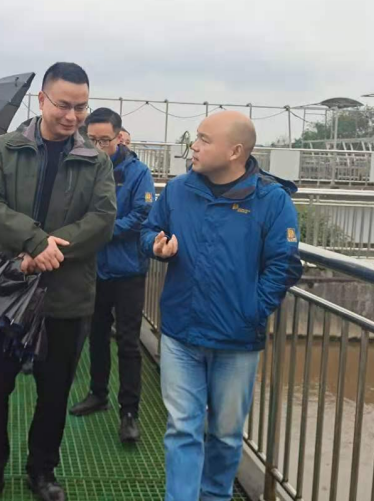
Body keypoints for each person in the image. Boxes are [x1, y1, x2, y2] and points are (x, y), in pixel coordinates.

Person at [0, 62, 117, 501]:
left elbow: (103, 218)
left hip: (66, 291)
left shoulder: (96, 160)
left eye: (81, 107)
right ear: (42, 99)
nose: (72, 116)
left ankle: (42, 472)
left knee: (55, 389)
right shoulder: (5, 149)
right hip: (8, 287)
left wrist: (49, 251)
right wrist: (34, 242)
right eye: (63, 105)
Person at [140, 110, 303, 501]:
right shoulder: (179, 190)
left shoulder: (271, 200)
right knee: (182, 428)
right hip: (181, 331)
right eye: (195, 137)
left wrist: (252, 311)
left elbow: (284, 264)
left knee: (227, 435)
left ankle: (215, 495)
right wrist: (155, 246)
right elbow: (148, 229)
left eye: (204, 139)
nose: (193, 146)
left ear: (235, 151)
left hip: (237, 340)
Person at [69, 108, 155, 444]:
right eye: (92, 139)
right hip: (95, 267)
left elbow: (142, 215)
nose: (99, 146)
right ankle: (98, 393)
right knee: (97, 334)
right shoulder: (84, 167)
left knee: (129, 342)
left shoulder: (138, 173)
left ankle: (129, 412)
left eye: (105, 140)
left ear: (119, 137)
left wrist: (103, 230)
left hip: (128, 270)